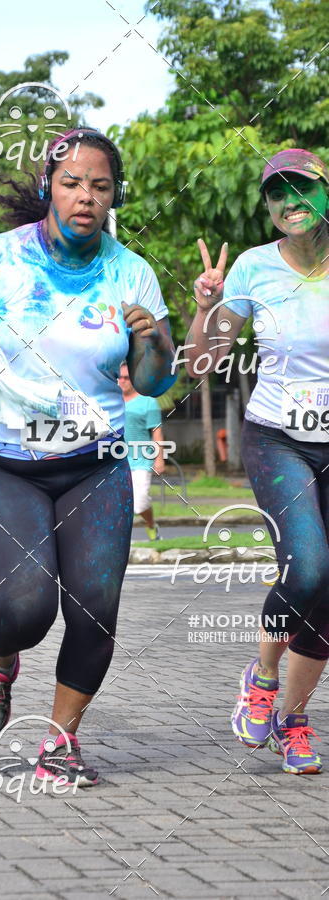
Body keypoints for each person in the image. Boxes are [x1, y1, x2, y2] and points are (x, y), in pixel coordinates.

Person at [0, 127, 176, 786]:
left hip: (97, 461)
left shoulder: (132, 273)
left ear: (114, 195)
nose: (86, 196)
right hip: (5, 460)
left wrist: (152, 341)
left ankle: (61, 742)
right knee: (25, 607)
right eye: (72, 182)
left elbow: (154, 380)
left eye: (100, 185)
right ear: (48, 188)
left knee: (96, 607)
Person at [184, 148, 329, 774]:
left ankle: (293, 722)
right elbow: (200, 362)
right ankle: (262, 676)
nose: (290, 202)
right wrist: (206, 306)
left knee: (328, 596)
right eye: (277, 193)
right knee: (309, 567)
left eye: (303, 189)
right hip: (278, 439)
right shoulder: (253, 267)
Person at [118, 362, 165, 540]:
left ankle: (151, 525)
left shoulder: (148, 402)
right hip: (116, 460)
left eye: (127, 378)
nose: (122, 381)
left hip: (142, 459)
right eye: (120, 377)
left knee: (140, 502)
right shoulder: (111, 401)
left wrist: (159, 459)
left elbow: (157, 432)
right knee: (119, 503)